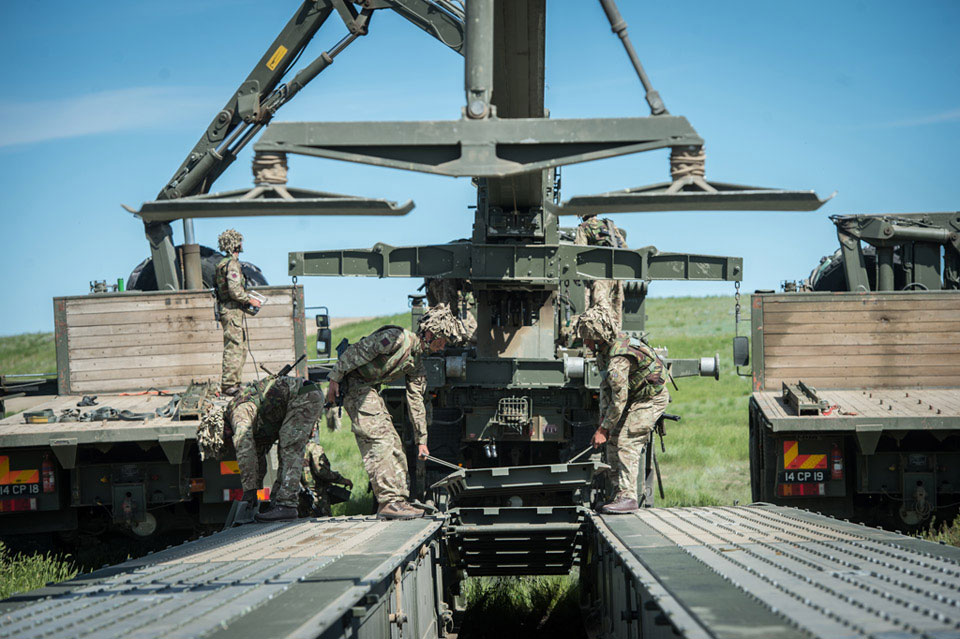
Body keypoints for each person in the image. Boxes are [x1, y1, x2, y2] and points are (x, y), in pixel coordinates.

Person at [325, 304, 462, 519]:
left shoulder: (415, 364)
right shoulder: (396, 338)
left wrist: (422, 441)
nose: (442, 348)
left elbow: (416, 402)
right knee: (381, 441)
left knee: (395, 444)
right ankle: (389, 501)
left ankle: (397, 500)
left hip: (367, 389)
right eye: (441, 341)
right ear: (429, 333)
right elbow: (357, 352)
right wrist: (334, 378)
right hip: (354, 385)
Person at [575, 306, 669, 514]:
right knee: (613, 441)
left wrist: (603, 429)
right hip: (631, 399)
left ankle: (628, 497)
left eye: (588, 338)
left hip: (649, 399)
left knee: (627, 439)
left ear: (599, 335)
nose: (585, 343)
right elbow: (607, 390)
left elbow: (619, 398)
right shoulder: (604, 350)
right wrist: (604, 427)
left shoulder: (618, 358)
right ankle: (618, 494)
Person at [227, 375, 323, 521]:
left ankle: (287, 506)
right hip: (301, 397)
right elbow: (256, 456)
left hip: (305, 396)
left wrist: (250, 490)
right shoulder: (254, 420)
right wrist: (255, 489)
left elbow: (244, 447)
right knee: (285, 447)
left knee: (290, 448)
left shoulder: (239, 412)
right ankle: (278, 504)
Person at [215, 229, 261, 396]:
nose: (242, 245)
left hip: (231, 309)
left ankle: (234, 383)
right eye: (239, 241)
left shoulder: (224, 263)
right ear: (235, 244)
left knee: (239, 347)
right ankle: (229, 385)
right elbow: (235, 291)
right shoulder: (231, 264)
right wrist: (250, 300)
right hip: (231, 310)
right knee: (234, 347)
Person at [574, 214, 627, 330]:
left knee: (600, 308)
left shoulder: (583, 227)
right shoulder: (610, 225)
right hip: (617, 274)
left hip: (599, 275)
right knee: (616, 309)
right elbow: (624, 247)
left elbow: (579, 251)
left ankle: (601, 337)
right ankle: (615, 337)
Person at [300, 435, 353, 517]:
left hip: (299, 496)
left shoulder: (292, 448)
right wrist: (341, 480)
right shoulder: (314, 448)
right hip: (317, 495)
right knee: (323, 523)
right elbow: (322, 472)